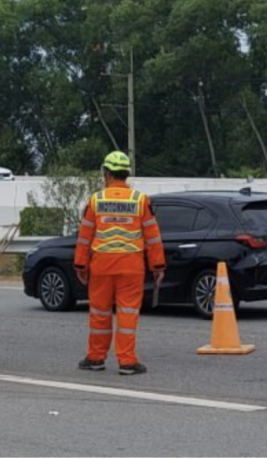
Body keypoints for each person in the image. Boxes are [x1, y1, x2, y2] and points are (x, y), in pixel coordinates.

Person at [73, 151, 166, 376]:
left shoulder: (96, 200)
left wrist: (80, 265)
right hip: (130, 266)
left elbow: (85, 236)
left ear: (106, 173)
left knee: (99, 313)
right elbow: (152, 236)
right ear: (126, 174)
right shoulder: (140, 200)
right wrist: (158, 266)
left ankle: (95, 358)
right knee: (127, 314)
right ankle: (127, 361)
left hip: (101, 266)